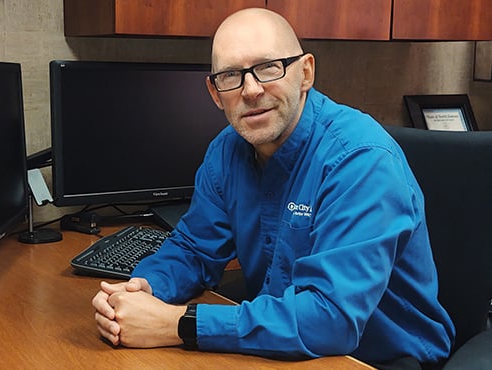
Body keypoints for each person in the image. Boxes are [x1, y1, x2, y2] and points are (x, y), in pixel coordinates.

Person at [92, 7, 454, 369]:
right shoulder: (226, 151)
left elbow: (331, 319)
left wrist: (177, 323)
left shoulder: (360, 161)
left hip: (380, 357)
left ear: (305, 72)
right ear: (215, 93)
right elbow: (193, 249)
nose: (250, 90)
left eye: (268, 67)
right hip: (280, 343)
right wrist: (144, 289)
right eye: (231, 75)